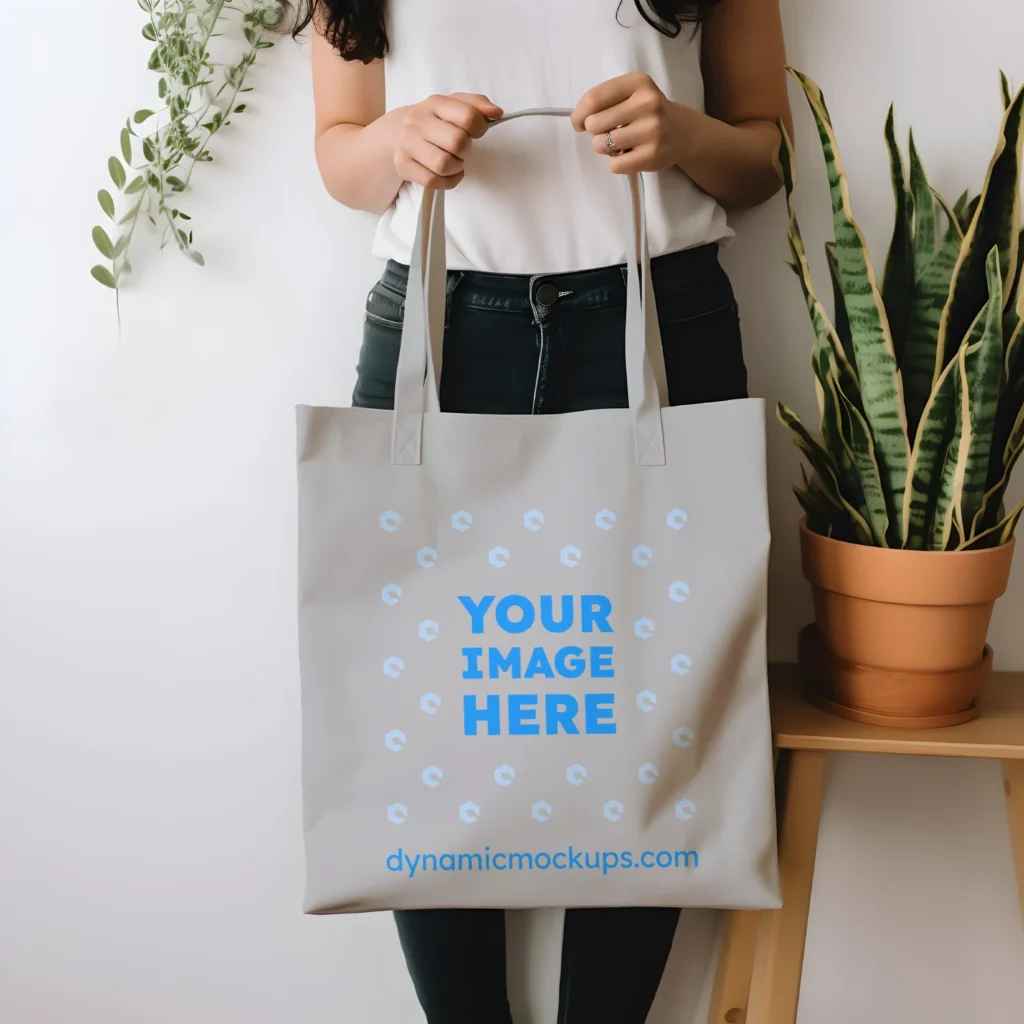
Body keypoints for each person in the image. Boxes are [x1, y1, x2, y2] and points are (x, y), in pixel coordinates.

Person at [295, 1, 791, 1020]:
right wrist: (396, 140)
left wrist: (683, 133)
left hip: (663, 307)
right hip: (441, 316)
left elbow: (761, 150)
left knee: (655, 695)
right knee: (427, 703)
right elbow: (339, 156)